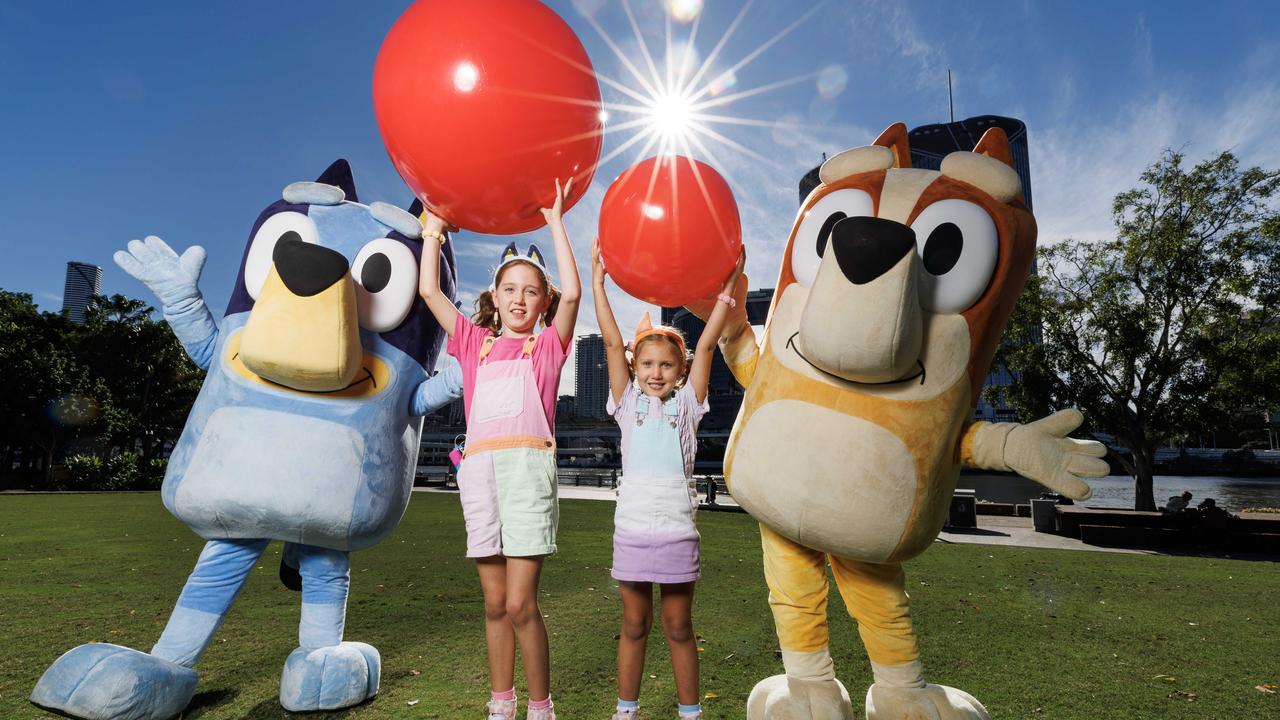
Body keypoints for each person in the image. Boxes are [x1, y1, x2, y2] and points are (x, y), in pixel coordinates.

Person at [417, 179, 580, 720]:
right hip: (480, 471)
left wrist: (555, 221)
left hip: (527, 472)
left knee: (519, 603)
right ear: (494, 297)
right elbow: (429, 294)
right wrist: (433, 235)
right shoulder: (472, 343)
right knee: (492, 603)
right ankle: (501, 703)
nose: (519, 298)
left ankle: (541, 707)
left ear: (542, 303)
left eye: (531, 291)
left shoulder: (547, 347)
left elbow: (574, 295)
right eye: (510, 288)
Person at [592, 238, 744, 720]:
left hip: (678, 530)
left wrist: (726, 290)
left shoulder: (687, 407)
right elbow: (613, 340)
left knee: (679, 626)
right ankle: (625, 710)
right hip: (633, 529)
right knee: (633, 624)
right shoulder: (627, 405)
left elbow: (705, 343)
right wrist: (598, 282)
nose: (656, 373)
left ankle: (690, 713)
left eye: (666, 365)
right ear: (635, 369)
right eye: (647, 364)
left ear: (680, 372)